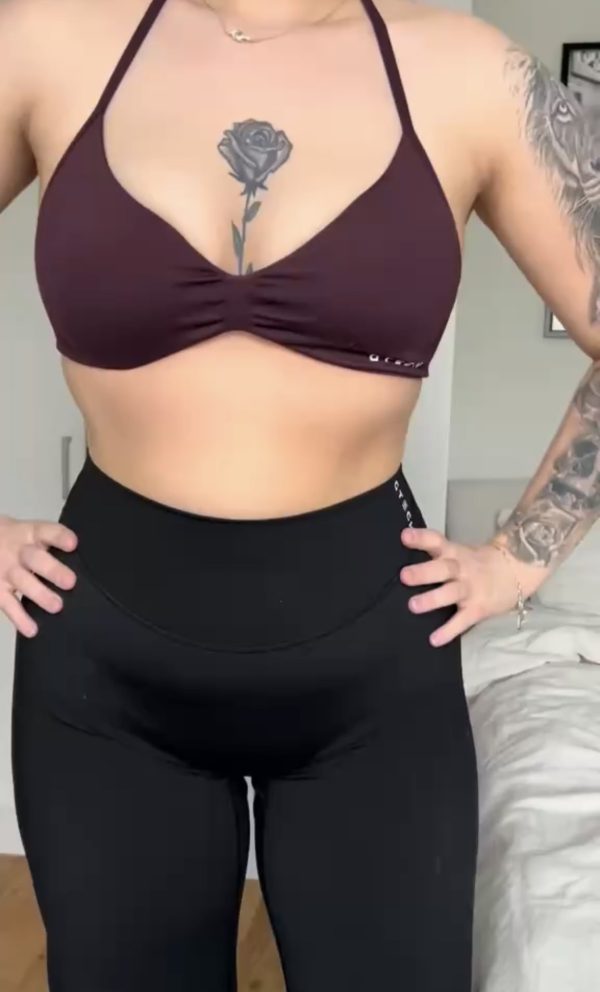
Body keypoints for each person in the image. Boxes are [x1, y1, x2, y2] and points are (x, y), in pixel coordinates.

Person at [1, 0, 598, 988]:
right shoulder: (46, 39)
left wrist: (519, 559)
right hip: (106, 676)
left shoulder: (468, 71)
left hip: (371, 676)